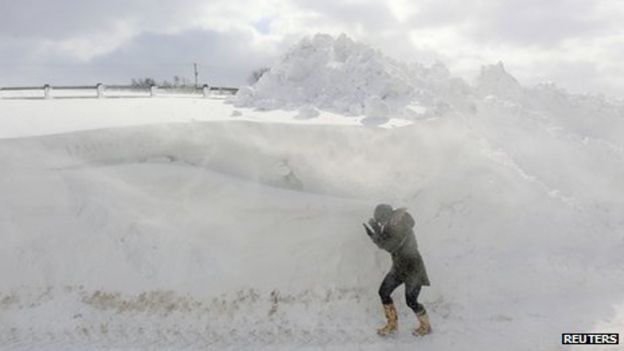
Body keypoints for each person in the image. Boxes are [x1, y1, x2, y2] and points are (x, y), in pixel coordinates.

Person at [363, 204, 432, 337]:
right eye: (379, 222)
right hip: (399, 267)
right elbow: (388, 237)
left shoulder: (402, 224)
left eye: (380, 220)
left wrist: (375, 237)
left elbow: (392, 245)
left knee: (411, 301)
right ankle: (392, 324)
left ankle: (425, 326)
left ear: (387, 216)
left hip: (413, 269)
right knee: (384, 292)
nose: (381, 223)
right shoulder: (391, 223)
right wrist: (378, 231)